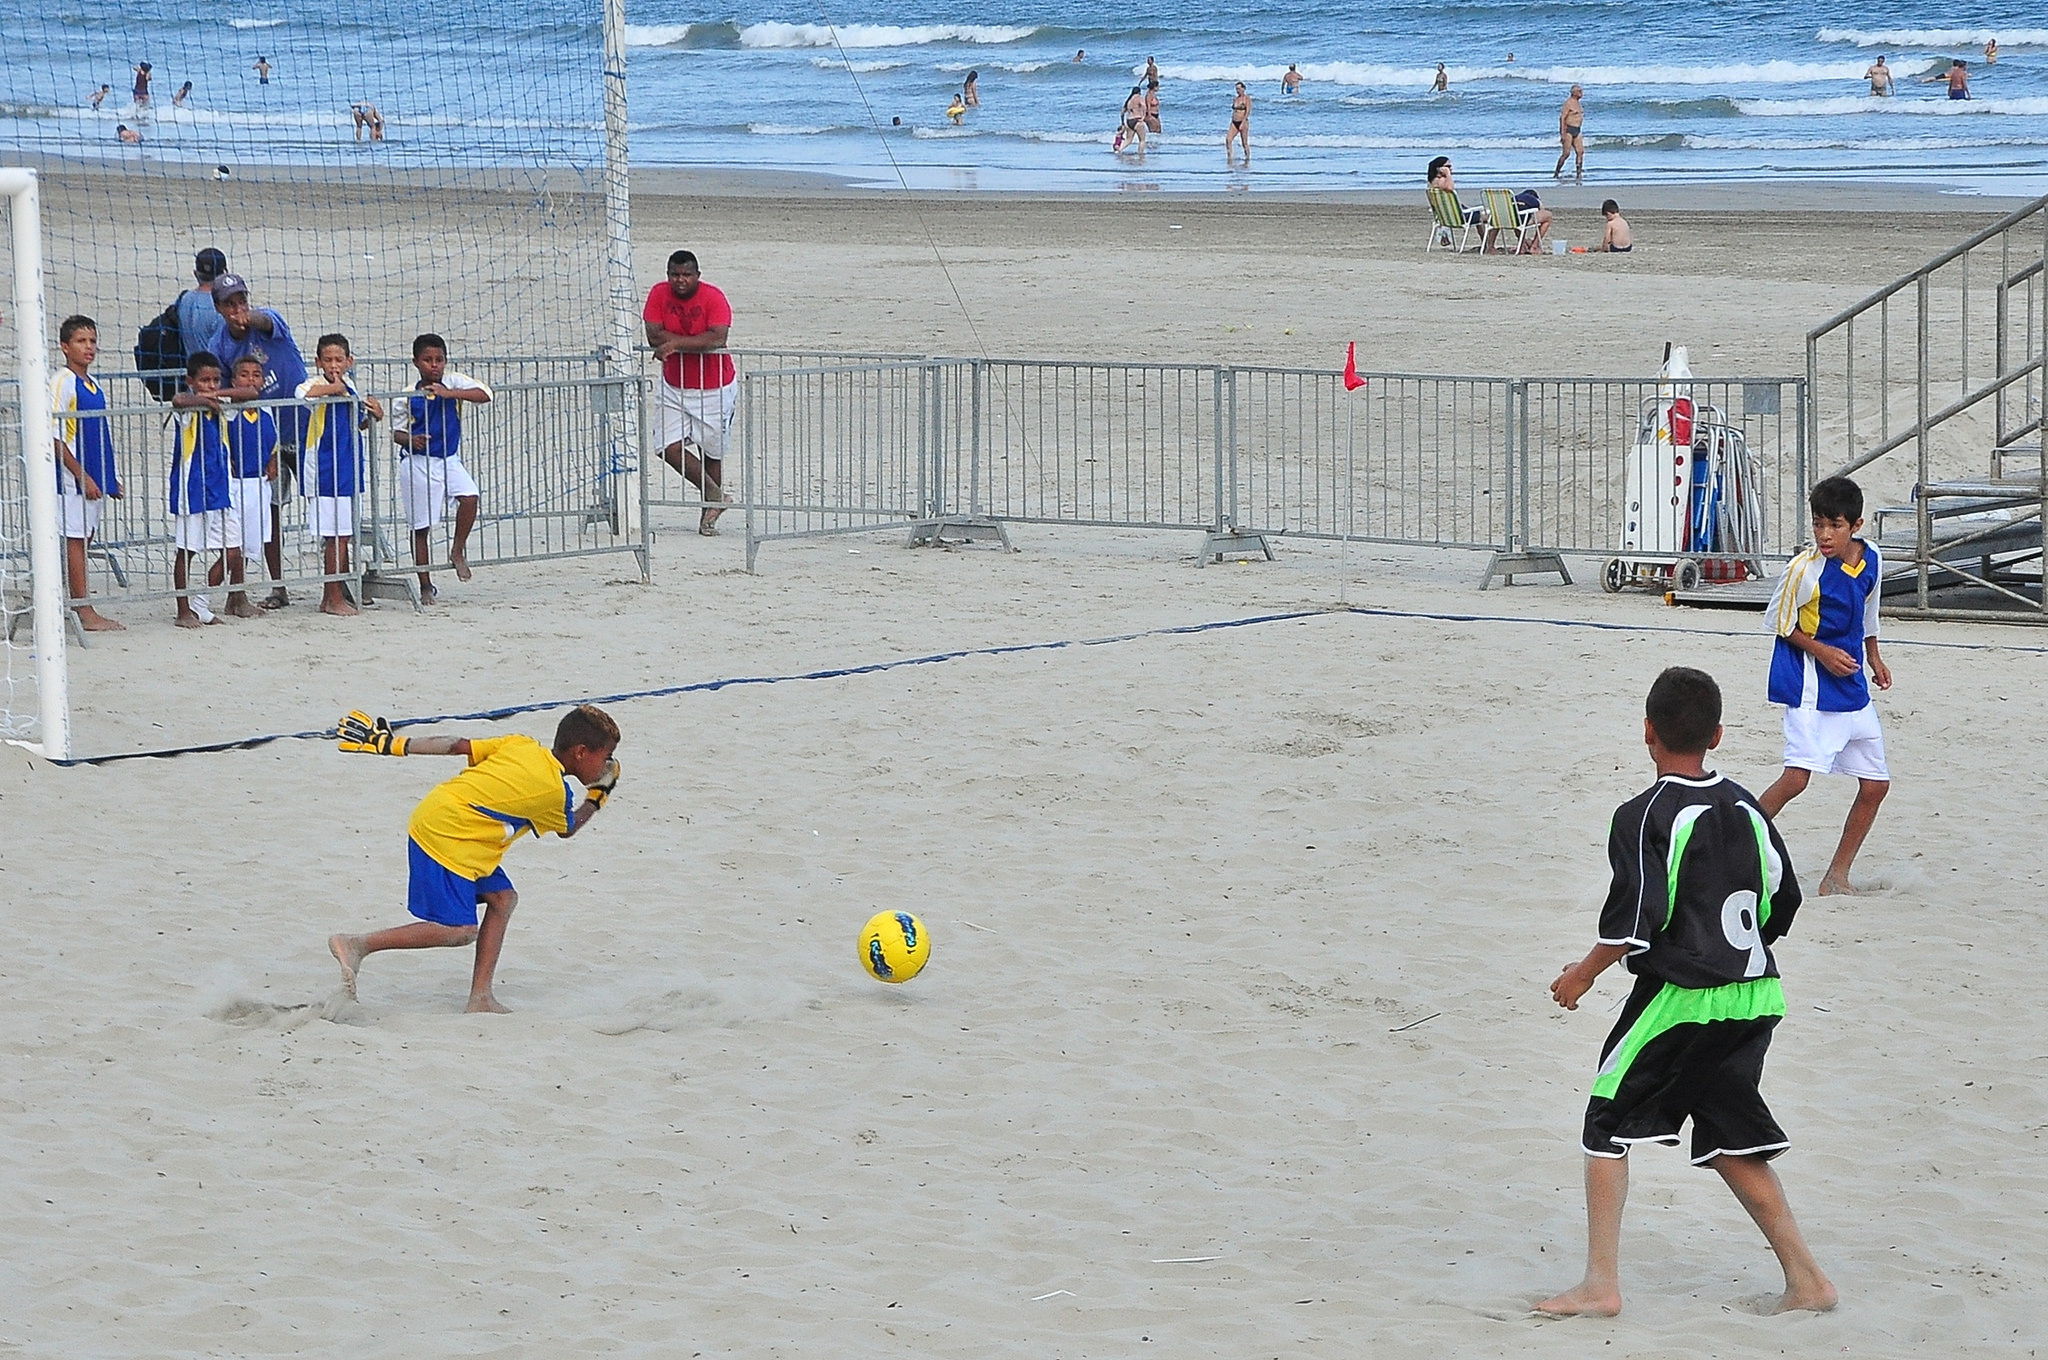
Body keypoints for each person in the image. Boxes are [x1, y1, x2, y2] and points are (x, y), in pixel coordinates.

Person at [1538, 666, 1835, 1319]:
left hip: (1687, 996)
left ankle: (1599, 1285)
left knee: (1603, 1120)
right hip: (1757, 993)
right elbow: (1781, 898)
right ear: (1719, 735)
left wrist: (1582, 974)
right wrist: (1745, 952)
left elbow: (1632, 921)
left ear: (1647, 731)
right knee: (1729, 1134)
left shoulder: (1645, 815)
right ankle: (1808, 1281)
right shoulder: (1749, 810)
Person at [327, 704, 621, 1013]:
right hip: (447, 834)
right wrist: (600, 793)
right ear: (581, 752)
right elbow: (568, 828)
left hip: (452, 821)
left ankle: (480, 997)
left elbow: (455, 745)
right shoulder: (554, 793)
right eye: (605, 758)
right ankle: (358, 945)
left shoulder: (522, 744)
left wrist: (391, 744)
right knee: (460, 930)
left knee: (503, 899)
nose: (606, 766)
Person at [1756, 476, 1892, 896]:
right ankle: (1726, 841)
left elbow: (1869, 611)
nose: (1825, 534)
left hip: (1851, 687)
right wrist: (1822, 652)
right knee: (1797, 779)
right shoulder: (1803, 569)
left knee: (1875, 784)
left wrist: (1874, 656)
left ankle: (1836, 876)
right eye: (1818, 524)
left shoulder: (1873, 559)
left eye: (1834, 525)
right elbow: (1777, 623)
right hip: (1809, 685)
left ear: (1856, 525)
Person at [211, 272, 309, 609]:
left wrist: (247, 317)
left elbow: (266, 323)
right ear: (219, 308)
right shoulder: (219, 345)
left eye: (242, 300)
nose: (238, 308)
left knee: (325, 504)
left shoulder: (268, 318)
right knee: (270, 513)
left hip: (301, 426)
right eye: (230, 304)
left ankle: (339, 582)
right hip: (262, 437)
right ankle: (276, 587)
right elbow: (231, 397)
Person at [643, 250, 737, 535]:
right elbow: (653, 334)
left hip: (714, 386)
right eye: (675, 275)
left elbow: (717, 337)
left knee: (711, 452)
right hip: (675, 385)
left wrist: (675, 345)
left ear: (697, 275)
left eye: (686, 275)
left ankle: (707, 516)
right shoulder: (659, 294)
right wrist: (686, 343)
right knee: (666, 447)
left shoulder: (713, 297)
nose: (680, 280)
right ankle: (716, 495)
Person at [394, 332, 493, 602]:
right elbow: (396, 433)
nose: (434, 365)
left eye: (439, 360)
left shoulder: (453, 382)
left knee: (470, 497)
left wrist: (449, 394)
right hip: (418, 463)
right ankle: (425, 584)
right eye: (428, 360)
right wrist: (411, 440)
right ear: (416, 362)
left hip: (449, 458)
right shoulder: (405, 396)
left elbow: (485, 394)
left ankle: (457, 549)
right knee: (421, 528)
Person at [294, 333, 384, 617]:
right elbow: (302, 394)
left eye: (339, 359)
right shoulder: (317, 384)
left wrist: (374, 414)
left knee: (343, 535)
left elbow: (358, 422)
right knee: (334, 536)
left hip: (347, 469)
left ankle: (333, 594)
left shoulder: (351, 387)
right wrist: (333, 387)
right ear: (318, 362)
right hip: (323, 470)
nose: (334, 364)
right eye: (328, 360)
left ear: (349, 361)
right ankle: (332, 596)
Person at [50, 315, 125, 631]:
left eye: (92, 341)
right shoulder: (62, 381)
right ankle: (84, 610)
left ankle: (72, 602)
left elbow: (96, 432)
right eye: (82, 341)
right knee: (76, 540)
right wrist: (81, 476)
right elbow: (55, 434)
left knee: (85, 537)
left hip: (94, 475)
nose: (89, 347)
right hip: (71, 479)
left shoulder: (91, 383)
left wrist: (108, 477)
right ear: (65, 346)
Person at [165, 353, 241, 627]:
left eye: (215, 380)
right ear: (191, 381)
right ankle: (183, 609)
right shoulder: (189, 410)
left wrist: (216, 395)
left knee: (233, 550)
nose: (210, 386)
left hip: (220, 489)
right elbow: (178, 399)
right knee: (187, 550)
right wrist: (204, 399)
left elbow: (250, 393)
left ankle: (201, 603)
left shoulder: (220, 403)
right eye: (204, 381)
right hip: (192, 491)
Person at [223, 355, 279, 613]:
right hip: (236, 485)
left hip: (259, 485)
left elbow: (272, 441)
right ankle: (217, 596)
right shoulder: (228, 413)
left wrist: (273, 459)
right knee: (235, 545)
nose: (250, 380)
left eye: (256, 375)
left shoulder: (266, 410)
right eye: (244, 375)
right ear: (234, 381)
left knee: (249, 543)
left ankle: (236, 597)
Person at [177, 246, 230, 361]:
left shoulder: (185, 299)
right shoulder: (221, 306)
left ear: (196, 274)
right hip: (215, 373)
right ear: (224, 274)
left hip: (193, 371)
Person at [1555, 84, 1585, 181]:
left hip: (1577, 129)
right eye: (1579, 91)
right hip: (1568, 130)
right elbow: (1562, 118)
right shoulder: (1568, 103)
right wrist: (1562, 133)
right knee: (1566, 153)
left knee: (1580, 152)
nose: (1581, 93)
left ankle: (1579, 173)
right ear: (1574, 93)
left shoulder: (1578, 103)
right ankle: (1557, 172)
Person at [1225, 81, 1250, 162]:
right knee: (1228, 139)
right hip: (1234, 122)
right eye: (1236, 89)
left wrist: (1243, 122)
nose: (1237, 90)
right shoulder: (1235, 99)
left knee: (1244, 143)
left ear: (1243, 89)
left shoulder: (1247, 98)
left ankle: (1247, 158)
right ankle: (1230, 157)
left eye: (1239, 89)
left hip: (1243, 122)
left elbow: (1248, 111)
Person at [1118, 84, 1147, 152]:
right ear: (1139, 92)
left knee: (1128, 140)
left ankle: (1119, 150)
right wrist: (1144, 116)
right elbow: (1144, 106)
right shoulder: (1139, 98)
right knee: (1142, 140)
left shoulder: (1129, 100)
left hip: (1129, 120)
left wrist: (1122, 123)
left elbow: (1122, 113)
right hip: (1137, 120)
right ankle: (1140, 154)